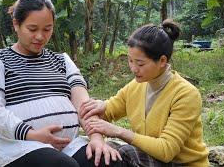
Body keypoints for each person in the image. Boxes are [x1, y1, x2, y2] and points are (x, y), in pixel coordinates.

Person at [0, 0, 122, 167]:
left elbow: (84, 106)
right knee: (62, 165)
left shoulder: (62, 60)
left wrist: (96, 138)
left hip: (68, 145)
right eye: (32, 29)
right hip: (19, 146)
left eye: (47, 29)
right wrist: (33, 134)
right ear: (16, 24)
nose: (40, 36)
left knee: (109, 162)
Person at [80, 19, 209, 166]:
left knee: (126, 153)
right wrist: (99, 108)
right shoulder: (135, 87)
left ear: (162, 61)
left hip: (182, 164)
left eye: (140, 63)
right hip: (152, 160)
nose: (133, 68)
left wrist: (118, 131)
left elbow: (166, 150)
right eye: (130, 61)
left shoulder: (186, 94)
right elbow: (106, 112)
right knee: (97, 152)